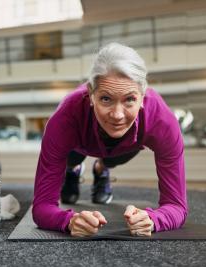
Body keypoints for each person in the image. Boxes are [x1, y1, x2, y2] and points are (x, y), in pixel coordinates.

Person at [32, 42, 187, 237]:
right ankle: (73, 170)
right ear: (91, 94)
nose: (117, 115)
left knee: (112, 158)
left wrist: (153, 220)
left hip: (126, 147)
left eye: (129, 99)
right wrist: (69, 221)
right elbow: (41, 208)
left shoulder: (162, 121)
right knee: (72, 161)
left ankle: (100, 168)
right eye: (106, 98)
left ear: (142, 96)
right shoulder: (65, 119)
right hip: (77, 146)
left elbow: (177, 206)